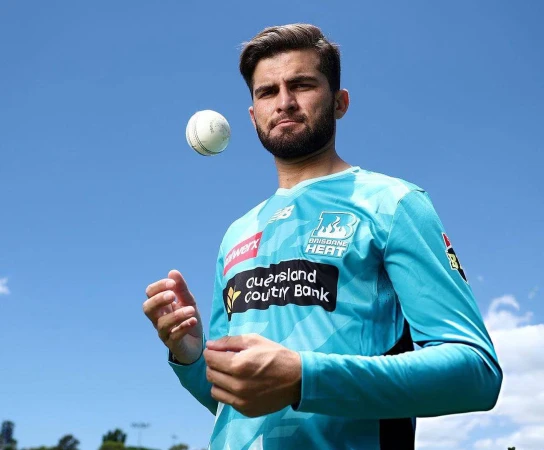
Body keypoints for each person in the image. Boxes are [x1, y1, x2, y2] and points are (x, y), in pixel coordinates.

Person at [143, 23, 502, 450]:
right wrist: (190, 356)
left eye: (302, 85)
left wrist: (304, 378)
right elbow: (231, 401)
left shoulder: (392, 203)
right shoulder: (237, 234)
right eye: (267, 92)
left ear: (339, 102)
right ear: (253, 115)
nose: (284, 102)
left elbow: (476, 374)